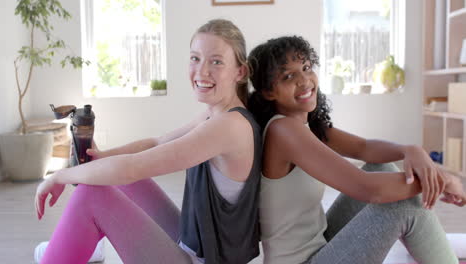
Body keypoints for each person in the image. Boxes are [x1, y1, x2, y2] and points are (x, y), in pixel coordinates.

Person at [34, 19, 261, 264]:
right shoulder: (216, 113)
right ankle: (79, 241)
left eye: (216, 61)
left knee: (91, 195)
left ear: (240, 71)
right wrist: (103, 156)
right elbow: (157, 142)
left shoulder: (229, 126)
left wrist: (60, 176)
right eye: (195, 58)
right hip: (196, 244)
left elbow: (133, 167)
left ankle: (61, 252)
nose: (202, 71)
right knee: (124, 179)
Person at [247, 35, 466, 264]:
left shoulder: (304, 126)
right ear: (268, 92)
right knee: (404, 207)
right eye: (288, 76)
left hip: (320, 243)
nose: (304, 80)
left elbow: (364, 148)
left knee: (380, 167)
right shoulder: (284, 131)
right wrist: (442, 180)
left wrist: (410, 150)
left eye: (306, 68)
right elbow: (367, 189)